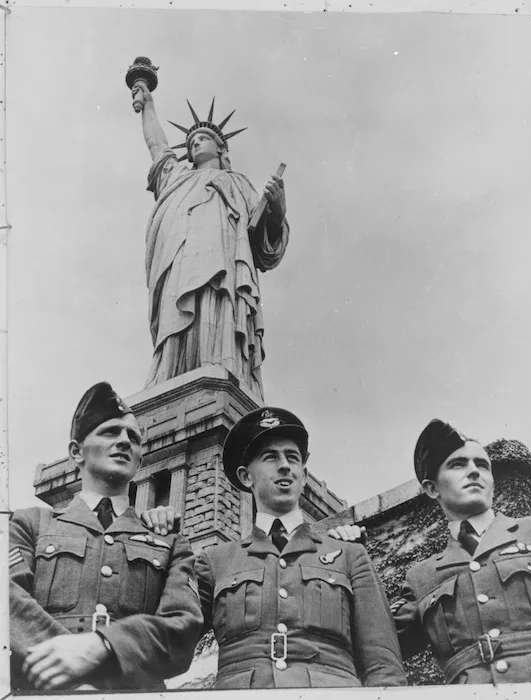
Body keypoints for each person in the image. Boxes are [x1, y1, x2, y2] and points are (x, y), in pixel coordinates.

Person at [143, 406, 407, 689]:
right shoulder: (216, 561)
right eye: (271, 457)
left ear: (303, 476)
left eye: (292, 458)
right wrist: (158, 549)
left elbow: (384, 666)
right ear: (246, 477)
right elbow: (168, 644)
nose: (285, 465)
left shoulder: (349, 554)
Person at [9, 382, 203, 692]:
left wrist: (104, 648)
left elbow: (183, 626)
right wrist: (63, 662)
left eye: (134, 438)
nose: (125, 442)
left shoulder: (170, 542)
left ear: (140, 460)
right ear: (76, 452)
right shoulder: (31, 523)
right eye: (110, 432)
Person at [133, 84, 289, 396]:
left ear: (221, 148)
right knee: (178, 318)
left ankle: (221, 364)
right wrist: (148, 106)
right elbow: (157, 145)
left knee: (217, 314)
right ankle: (172, 373)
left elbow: (262, 242)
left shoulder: (237, 183)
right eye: (189, 143)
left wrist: (277, 210)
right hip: (179, 262)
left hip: (224, 268)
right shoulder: (177, 178)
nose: (193, 146)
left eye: (201, 139)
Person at [389, 419, 531, 684]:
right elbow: (377, 648)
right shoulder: (421, 576)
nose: (474, 472)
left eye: (482, 465)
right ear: (432, 489)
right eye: (458, 464)